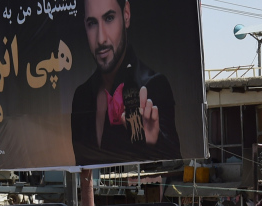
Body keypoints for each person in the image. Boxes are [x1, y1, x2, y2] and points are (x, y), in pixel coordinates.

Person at [71, 0, 181, 166]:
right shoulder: (81, 97)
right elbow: (82, 167)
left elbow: (176, 162)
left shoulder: (153, 85)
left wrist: (154, 142)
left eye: (109, 18)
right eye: (92, 23)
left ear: (126, 15)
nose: (101, 39)